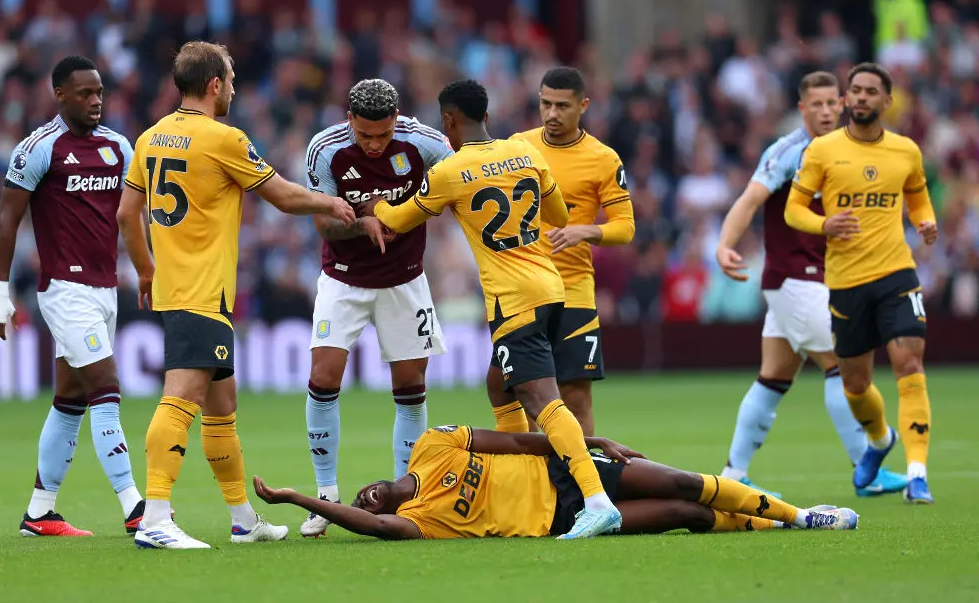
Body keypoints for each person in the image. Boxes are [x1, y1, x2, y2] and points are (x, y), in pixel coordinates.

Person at [117, 41, 356, 549]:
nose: (234, 87)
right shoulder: (222, 138)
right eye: (229, 78)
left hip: (182, 286)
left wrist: (145, 270)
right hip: (201, 289)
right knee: (182, 397)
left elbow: (125, 215)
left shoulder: (150, 137)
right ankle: (155, 518)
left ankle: (244, 519)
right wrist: (331, 203)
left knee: (222, 406)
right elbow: (282, 194)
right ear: (213, 85)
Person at [361, 79, 621, 539]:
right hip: (553, 286)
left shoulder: (450, 171)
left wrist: (377, 206)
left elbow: (399, 220)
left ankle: (596, 499)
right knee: (499, 386)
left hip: (513, 299)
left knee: (543, 400)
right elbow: (559, 216)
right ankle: (526, 468)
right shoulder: (527, 153)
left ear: (448, 120)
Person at [715, 71, 907, 498]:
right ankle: (868, 469)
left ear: (841, 105)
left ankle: (734, 472)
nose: (823, 111)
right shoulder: (788, 151)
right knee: (843, 363)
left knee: (773, 378)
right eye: (814, 105)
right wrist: (725, 245)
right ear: (802, 109)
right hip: (795, 279)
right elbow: (749, 199)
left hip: (818, 280)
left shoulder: (846, 151)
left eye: (829, 104)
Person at [0, 55, 145, 538]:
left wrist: (147, 270)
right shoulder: (39, 148)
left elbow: (135, 215)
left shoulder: (119, 148)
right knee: (106, 386)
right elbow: (6, 220)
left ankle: (40, 512)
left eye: (100, 92)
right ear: (59, 95)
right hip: (63, 289)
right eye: (85, 94)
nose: (96, 101)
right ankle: (136, 507)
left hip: (105, 289)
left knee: (70, 398)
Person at [299, 78, 454, 538]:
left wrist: (428, 205)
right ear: (349, 120)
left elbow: (460, 178)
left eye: (382, 136)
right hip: (343, 279)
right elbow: (324, 223)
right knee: (323, 378)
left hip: (405, 279)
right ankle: (325, 498)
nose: (373, 144)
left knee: (411, 386)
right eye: (364, 135)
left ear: (397, 120)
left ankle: (407, 498)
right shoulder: (325, 149)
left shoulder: (424, 142)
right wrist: (364, 220)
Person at [251, 425, 858, 539]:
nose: (365, 499)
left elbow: (516, 440)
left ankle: (802, 516)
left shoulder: (435, 444)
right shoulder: (422, 522)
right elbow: (374, 527)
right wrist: (303, 499)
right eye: (364, 506)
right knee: (689, 515)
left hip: (570, 471)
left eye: (363, 491)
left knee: (679, 478)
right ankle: (759, 522)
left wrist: (589, 443)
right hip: (561, 522)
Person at [785, 62, 938, 504]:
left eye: (872, 91)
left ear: (887, 101)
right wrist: (824, 223)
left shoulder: (906, 151)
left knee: (909, 364)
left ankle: (917, 475)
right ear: (847, 99)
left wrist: (925, 222)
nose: (863, 97)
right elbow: (793, 210)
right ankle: (878, 440)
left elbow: (918, 198)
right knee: (854, 383)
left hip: (897, 274)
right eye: (856, 91)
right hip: (847, 282)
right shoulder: (823, 151)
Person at [486, 67, 634, 437]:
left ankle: (582, 487)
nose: (552, 114)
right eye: (545, 104)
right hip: (524, 289)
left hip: (573, 290)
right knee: (527, 396)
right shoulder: (517, 147)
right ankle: (538, 486)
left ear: (583, 105)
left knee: (575, 396)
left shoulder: (603, 158)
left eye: (562, 106)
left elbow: (625, 227)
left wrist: (585, 230)